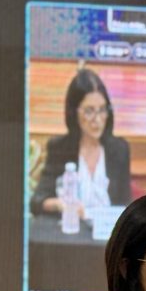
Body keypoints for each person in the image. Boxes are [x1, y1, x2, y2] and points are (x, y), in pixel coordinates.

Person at [30, 68, 131, 217]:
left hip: (109, 229)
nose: (97, 120)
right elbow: (37, 201)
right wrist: (60, 204)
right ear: (74, 112)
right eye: (89, 111)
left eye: (102, 110)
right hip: (73, 228)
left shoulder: (120, 149)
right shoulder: (60, 148)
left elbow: (125, 205)